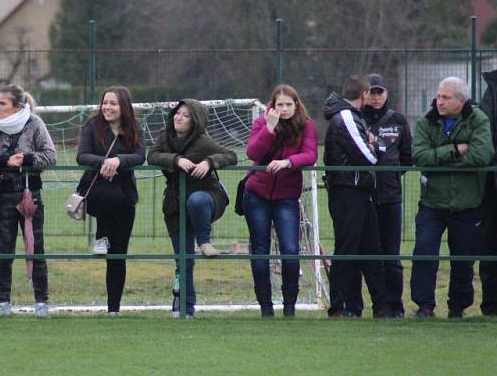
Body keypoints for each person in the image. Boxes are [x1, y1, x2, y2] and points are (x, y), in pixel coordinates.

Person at [411, 76, 493, 319]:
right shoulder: (427, 121)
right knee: (424, 253)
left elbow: (482, 156)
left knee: (462, 260)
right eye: (438, 96)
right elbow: (419, 156)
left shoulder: (478, 120)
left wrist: (441, 163)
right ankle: (424, 306)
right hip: (432, 203)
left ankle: (457, 307)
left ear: (461, 100)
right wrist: (455, 150)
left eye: (445, 97)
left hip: (467, 204)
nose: (439, 101)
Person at [148, 99, 237, 318]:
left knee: (196, 200)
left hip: (206, 197)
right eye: (178, 113)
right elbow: (152, 156)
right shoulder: (164, 136)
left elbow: (231, 155)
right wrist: (176, 160)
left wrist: (209, 162)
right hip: (175, 204)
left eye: (186, 115)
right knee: (183, 259)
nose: (179, 117)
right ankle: (185, 308)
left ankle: (204, 241)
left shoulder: (203, 141)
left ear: (195, 120)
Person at [0, 85, 56, 317]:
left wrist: (28, 158)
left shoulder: (35, 123)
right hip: (2, 195)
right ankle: (3, 303)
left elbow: (50, 156)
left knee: (36, 247)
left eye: (2, 103)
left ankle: (42, 303)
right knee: (4, 250)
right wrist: (3, 159)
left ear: (17, 106)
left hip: (31, 196)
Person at [244, 85, 317, 317]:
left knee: (290, 250)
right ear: (272, 106)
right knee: (260, 251)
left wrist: (288, 162)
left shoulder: (306, 125)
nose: (284, 109)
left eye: (288, 104)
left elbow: (311, 154)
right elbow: (253, 153)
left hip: (287, 197)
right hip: (257, 195)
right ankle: (266, 308)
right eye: (279, 105)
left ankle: (289, 307)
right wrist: (269, 128)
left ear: (296, 105)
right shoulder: (262, 124)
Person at [323, 74, 391, 318]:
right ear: (363, 94)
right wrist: (376, 145)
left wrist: (374, 145)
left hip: (361, 192)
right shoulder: (346, 118)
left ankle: (381, 306)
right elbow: (370, 156)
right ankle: (337, 307)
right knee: (347, 248)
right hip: (347, 192)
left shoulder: (352, 117)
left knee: (372, 248)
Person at [346, 74, 412, 318]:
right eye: (371, 92)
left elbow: (407, 157)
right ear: (364, 94)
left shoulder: (397, 120)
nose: (375, 97)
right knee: (358, 253)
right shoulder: (355, 119)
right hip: (361, 197)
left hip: (390, 197)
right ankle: (354, 307)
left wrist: (391, 177)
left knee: (390, 255)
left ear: (387, 93)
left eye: (379, 92)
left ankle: (394, 306)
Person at [76, 86, 146, 315]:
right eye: (105, 102)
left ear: (123, 106)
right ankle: (100, 236)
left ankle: (113, 309)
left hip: (125, 197)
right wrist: (105, 162)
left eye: (113, 103)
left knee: (118, 255)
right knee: (109, 194)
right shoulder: (92, 125)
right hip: (96, 190)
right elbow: (82, 155)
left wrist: (118, 161)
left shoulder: (134, 127)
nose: (107, 107)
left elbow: (139, 156)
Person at [479, 69, 497, 316]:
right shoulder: (492, 88)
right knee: (491, 243)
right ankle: (492, 306)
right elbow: (485, 134)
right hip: (493, 183)